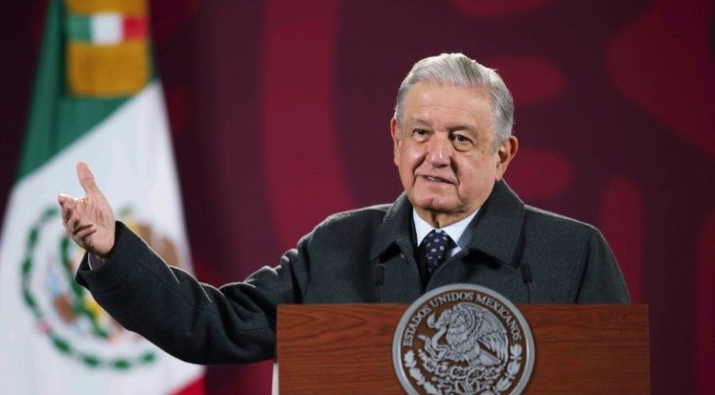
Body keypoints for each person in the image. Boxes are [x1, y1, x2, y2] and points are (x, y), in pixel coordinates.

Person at [58, 52, 629, 362]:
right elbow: (215, 326)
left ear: (503, 155)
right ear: (395, 139)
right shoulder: (338, 246)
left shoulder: (573, 254)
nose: (435, 157)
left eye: (460, 139)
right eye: (420, 133)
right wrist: (114, 251)